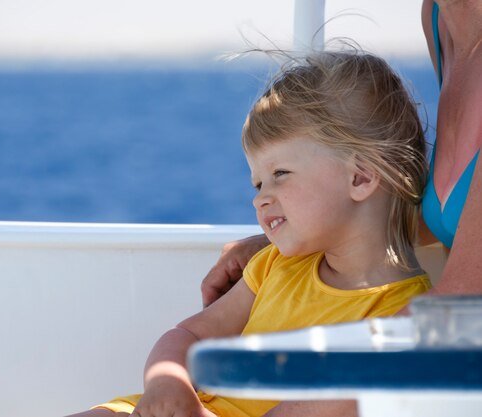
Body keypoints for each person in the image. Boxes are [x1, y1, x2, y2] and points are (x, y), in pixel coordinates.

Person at [65, 50, 432, 417]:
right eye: (257, 183)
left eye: (280, 174)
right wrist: (168, 382)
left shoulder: (403, 318)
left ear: (360, 178)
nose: (260, 199)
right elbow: (189, 336)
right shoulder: (274, 265)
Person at [201, 0, 482, 310]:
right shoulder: (439, 17)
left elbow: (462, 298)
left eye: (280, 174)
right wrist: (288, 233)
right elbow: (455, 214)